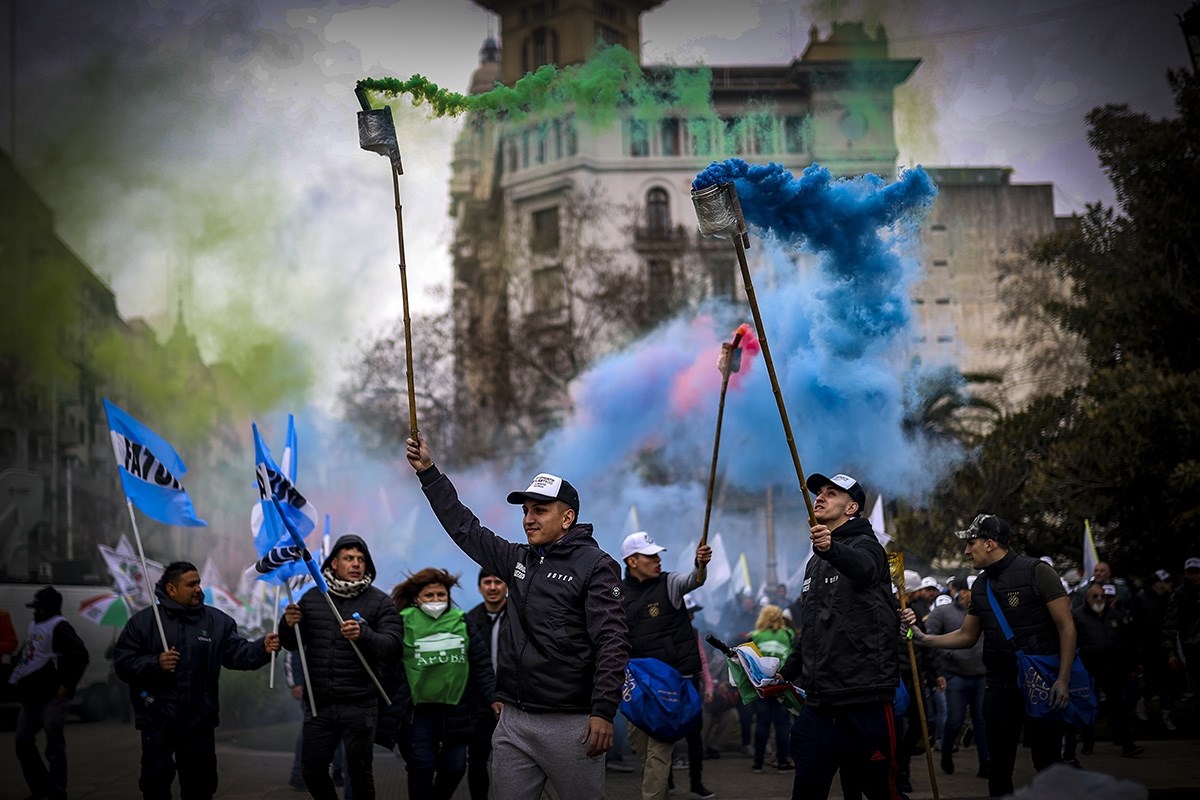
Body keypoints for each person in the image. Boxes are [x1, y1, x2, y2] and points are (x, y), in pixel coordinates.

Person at [406, 434, 629, 800]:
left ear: (567, 517)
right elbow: (465, 529)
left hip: (573, 723)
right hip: (513, 721)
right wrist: (429, 473)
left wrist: (604, 711)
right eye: (525, 510)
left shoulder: (597, 566)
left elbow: (613, 640)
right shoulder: (518, 560)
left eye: (539, 510)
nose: (528, 518)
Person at [901, 514, 1077, 798]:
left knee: (1047, 762)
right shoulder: (981, 586)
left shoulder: (1038, 572)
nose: (966, 551)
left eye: (971, 543)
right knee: (998, 768)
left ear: (991, 543)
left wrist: (1063, 679)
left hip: (1041, 684)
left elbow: (1066, 626)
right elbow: (967, 636)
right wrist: (925, 638)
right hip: (999, 686)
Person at [774, 472, 902, 800]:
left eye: (832, 493)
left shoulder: (867, 546)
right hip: (819, 703)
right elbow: (813, 628)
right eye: (819, 492)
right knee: (806, 790)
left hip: (864, 699)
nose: (820, 496)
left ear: (852, 508)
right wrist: (785, 673)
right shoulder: (814, 563)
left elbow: (865, 568)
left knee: (880, 791)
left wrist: (831, 549)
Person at [114, 562, 280, 800]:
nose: (198, 589)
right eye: (191, 584)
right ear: (171, 589)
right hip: (157, 718)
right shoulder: (145, 623)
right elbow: (123, 664)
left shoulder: (216, 623)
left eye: (199, 583)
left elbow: (239, 655)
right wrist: (155, 663)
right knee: (155, 783)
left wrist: (262, 648)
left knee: (200, 787)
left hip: (198, 721)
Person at [280, 534, 403, 800]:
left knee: (358, 772)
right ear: (333, 563)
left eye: (361, 559)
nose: (356, 563)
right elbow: (292, 644)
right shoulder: (313, 598)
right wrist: (287, 623)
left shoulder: (380, 601)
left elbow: (393, 647)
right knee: (311, 769)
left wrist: (364, 634)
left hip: (360, 703)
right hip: (320, 703)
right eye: (349, 558)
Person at [378, 568, 497, 800]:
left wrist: (493, 697)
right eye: (429, 596)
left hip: (456, 710)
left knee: (455, 768)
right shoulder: (402, 622)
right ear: (416, 598)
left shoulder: (462, 621)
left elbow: (481, 662)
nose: (435, 600)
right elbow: (386, 660)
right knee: (422, 766)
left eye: (440, 595)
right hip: (416, 712)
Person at [619, 531, 715, 800]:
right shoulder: (619, 594)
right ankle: (661, 788)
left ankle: (656, 795)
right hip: (639, 685)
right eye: (650, 556)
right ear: (632, 561)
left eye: (657, 555)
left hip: (672, 683)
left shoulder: (670, 583)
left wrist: (701, 564)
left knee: (660, 749)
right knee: (640, 744)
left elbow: (695, 580)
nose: (657, 560)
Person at [9, 586, 89, 800]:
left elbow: (80, 655)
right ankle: (41, 789)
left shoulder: (60, 626)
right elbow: (28, 655)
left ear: (49, 607)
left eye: (39, 607)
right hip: (31, 697)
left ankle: (56, 792)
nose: (35, 611)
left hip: (52, 697)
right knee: (23, 743)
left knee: (54, 748)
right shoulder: (35, 625)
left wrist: (66, 685)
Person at [924, 577, 989, 778]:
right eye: (967, 590)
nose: (969, 594)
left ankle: (985, 764)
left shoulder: (986, 611)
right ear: (960, 592)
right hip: (955, 676)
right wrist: (940, 666)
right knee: (954, 720)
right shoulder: (943, 612)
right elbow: (927, 636)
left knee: (981, 721)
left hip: (981, 675)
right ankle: (946, 750)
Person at [1072, 582, 1143, 758]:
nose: (1099, 599)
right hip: (1089, 669)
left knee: (1119, 706)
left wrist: (1131, 665)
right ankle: (1088, 743)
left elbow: (1127, 641)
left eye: (1102, 596)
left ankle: (1126, 744)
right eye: (1095, 596)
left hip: (1114, 669)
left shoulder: (1115, 615)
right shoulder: (1078, 616)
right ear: (1087, 598)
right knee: (1089, 706)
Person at [464, 568, 507, 800]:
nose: (492, 587)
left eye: (498, 582)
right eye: (487, 582)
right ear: (479, 587)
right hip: (480, 703)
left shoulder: (520, 616)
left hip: (515, 702)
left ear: (507, 586)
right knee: (477, 759)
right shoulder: (470, 620)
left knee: (514, 762)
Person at [748, 604, 795, 774]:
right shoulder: (788, 635)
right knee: (782, 724)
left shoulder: (756, 636)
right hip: (782, 684)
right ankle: (782, 762)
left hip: (762, 685)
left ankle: (758, 763)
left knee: (762, 723)